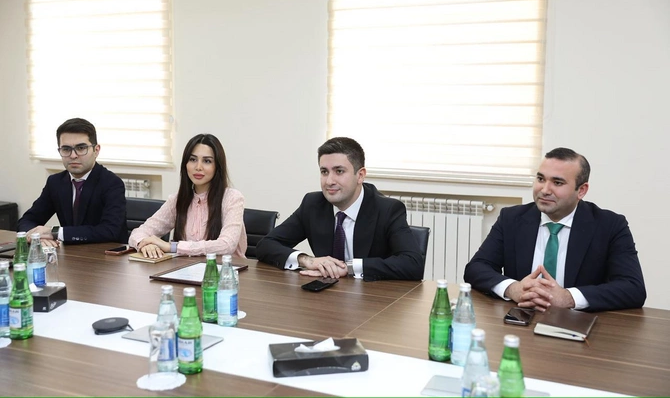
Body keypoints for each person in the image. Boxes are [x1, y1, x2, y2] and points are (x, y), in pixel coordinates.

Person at [464, 147, 646, 312]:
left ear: (581, 190)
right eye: (540, 179)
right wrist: (514, 289)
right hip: (522, 318)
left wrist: (568, 298)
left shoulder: (610, 225)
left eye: (557, 183)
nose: (544, 190)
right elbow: (476, 268)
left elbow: (633, 288)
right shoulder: (512, 218)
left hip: (578, 324)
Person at [256, 137, 423, 281]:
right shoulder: (313, 204)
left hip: (375, 298)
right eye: (324, 172)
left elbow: (413, 264)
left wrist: (349, 268)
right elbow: (266, 245)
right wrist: (307, 260)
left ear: (360, 175)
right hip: (326, 295)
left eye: (339, 171)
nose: (329, 181)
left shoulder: (387, 209)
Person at [129, 134, 247, 258]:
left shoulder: (232, 198)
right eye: (193, 159)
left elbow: (227, 245)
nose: (198, 167)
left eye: (207, 161)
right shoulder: (177, 200)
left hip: (227, 269)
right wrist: (145, 244)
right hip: (186, 268)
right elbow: (139, 232)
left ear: (217, 166)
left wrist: (173, 247)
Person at [18, 118, 128, 246]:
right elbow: (27, 220)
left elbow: (110, 231)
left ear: (96, 150)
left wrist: (55, 233)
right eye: (66, 149)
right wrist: (37, 237)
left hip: (105, 255)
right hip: (69, 253)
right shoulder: (55, 182)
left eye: (81, 148)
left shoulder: (111, 183)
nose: (73, 155)